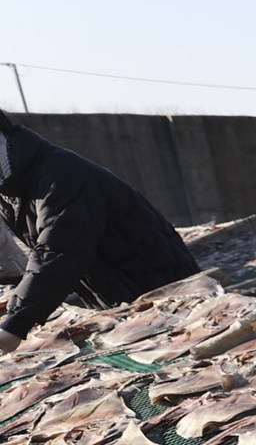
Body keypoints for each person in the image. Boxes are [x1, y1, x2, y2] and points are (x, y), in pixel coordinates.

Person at [0, 113, 202, 352]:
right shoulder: (11, 190)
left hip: (163, 292)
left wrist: (17, 322)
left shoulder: (61, 173)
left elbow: (60, 250)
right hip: (122, 299)